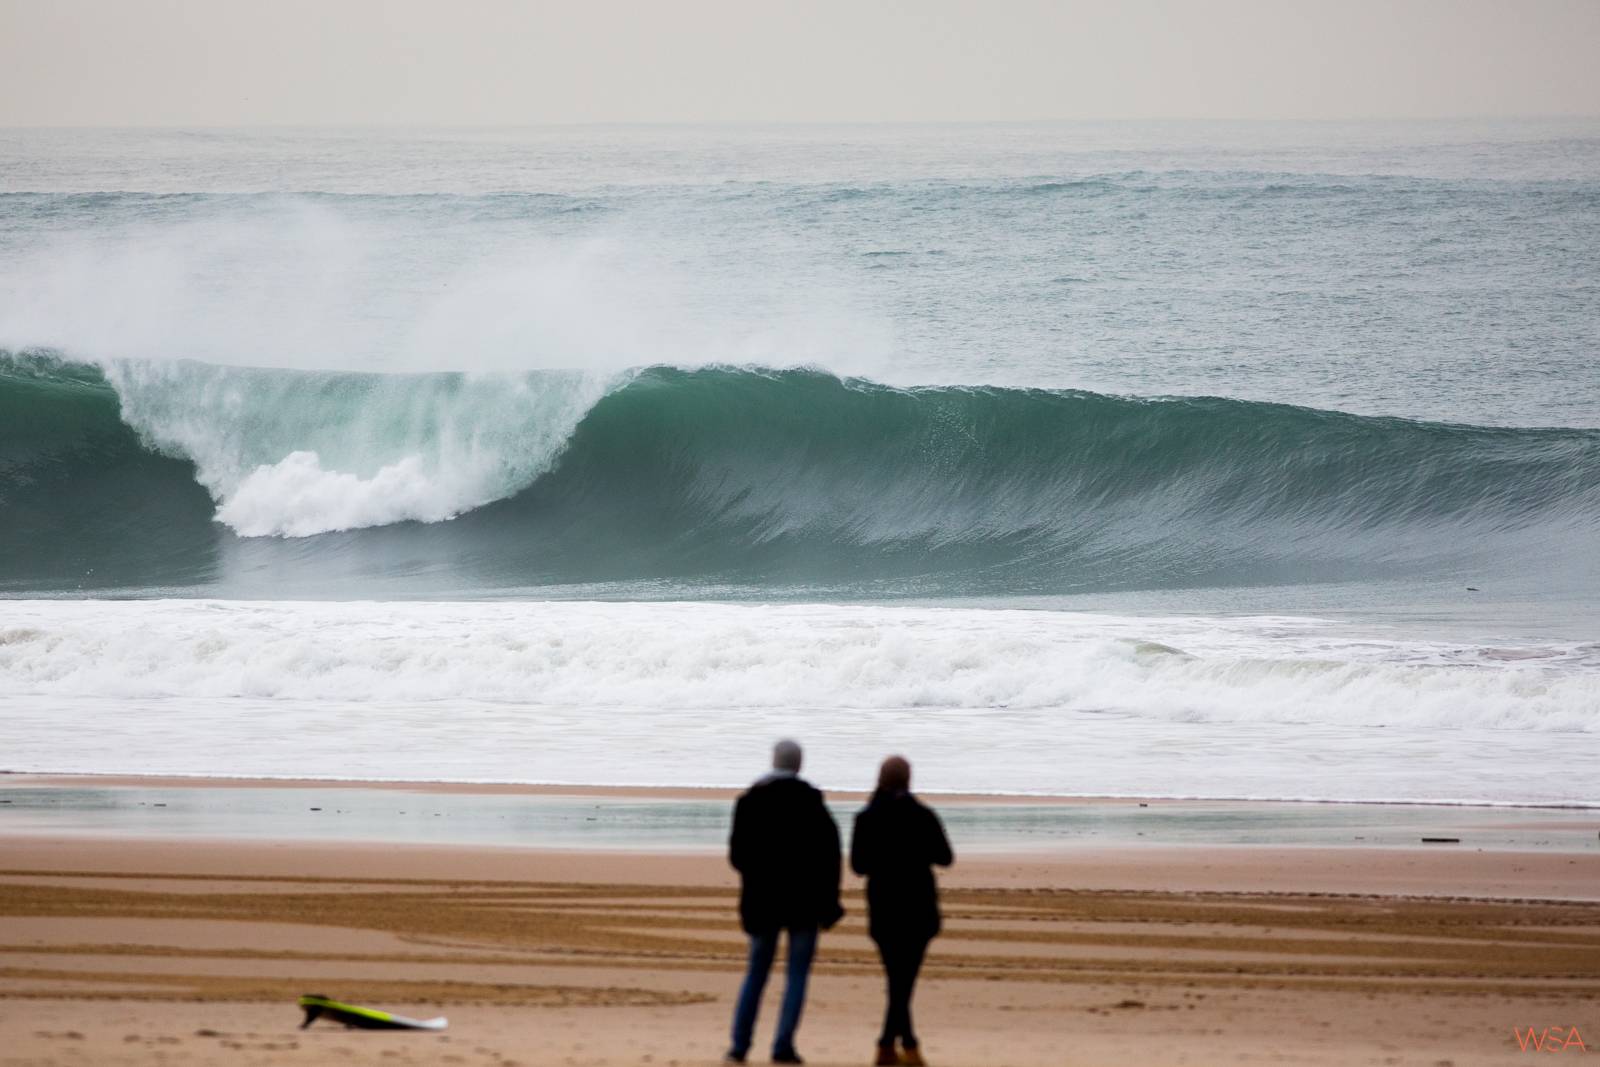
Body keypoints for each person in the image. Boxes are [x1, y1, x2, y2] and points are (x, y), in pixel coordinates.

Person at [725, 739, 844, 1065]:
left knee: (757, 972)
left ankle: (739, 1045)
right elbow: (831, 855)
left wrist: (758, 878)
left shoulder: (751, 801)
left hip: (763, 900)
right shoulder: (811, 801)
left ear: (773, 761)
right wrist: (831, 900)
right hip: (804, 902)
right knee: (797, 975)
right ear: (799, 765)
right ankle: (783, 1046)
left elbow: (737, 857)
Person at [850, 756, 953, 1067]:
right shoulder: (922, 814)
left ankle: (895, 1045)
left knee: (898, 979)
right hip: (919, 906)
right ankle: (899, 1044)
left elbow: (858, 866)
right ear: (909, 780)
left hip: (883, 906)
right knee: (903, 980)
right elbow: (945, 857)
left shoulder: (866, 817)